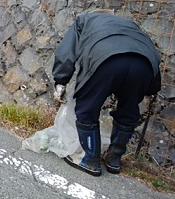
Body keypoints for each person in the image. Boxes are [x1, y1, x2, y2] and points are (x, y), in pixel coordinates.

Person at [51, 10, 161, 177]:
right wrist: (150, 87)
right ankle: (114, 159)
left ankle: (90, 160)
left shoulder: (84, 20)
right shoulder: (129, 24)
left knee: (87, 109)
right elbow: (149, 50)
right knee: (128, 111)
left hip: (105, 59)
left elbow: (66, 53)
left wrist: (61, 81)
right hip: (144, 64)